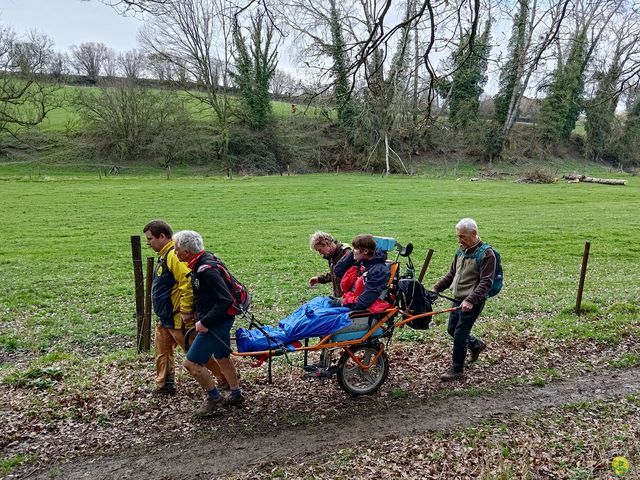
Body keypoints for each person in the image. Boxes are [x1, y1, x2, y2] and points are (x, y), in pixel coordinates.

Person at [143, 220, 228, 395]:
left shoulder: (174, 255)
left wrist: (185, 310)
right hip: (165, 316)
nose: (148, 243)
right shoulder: (165, 255)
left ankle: (224, 378)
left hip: (177, 318)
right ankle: (165, 384)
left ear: (162, 236)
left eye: (150, 239)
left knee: (195, 353)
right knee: (162, 351)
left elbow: (187, 282)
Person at [173, 230, 244, 417]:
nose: (175, 252)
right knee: (222, 356)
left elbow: (224, 300)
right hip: (221, 319)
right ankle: (236, 394)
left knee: (191, 363)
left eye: (177, 249)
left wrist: (204, 321)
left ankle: (214, 398)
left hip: (216, 322)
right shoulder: (205, 259)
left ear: (187, 252)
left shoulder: (206, 270)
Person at [432, 218, 496, 381]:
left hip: (473, 300)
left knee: (460, 333)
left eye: (463, 237)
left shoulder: (487, 254)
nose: (460, 240)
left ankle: (457, 369)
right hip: (458, 297)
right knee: (452, 330)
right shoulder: (461, 251)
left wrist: (470, 300)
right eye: (458, 236)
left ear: (474, 234)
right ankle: (476, 345)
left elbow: (486, 282)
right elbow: (452, 273)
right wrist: (436, 289)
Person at [333, 234, 391, 311]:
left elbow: (364, 301)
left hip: (361, 309)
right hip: (350, 300)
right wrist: (355, 254)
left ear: (366, 251)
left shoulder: (379, 271)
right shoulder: (362, 261)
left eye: (355, 248)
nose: (352, 250)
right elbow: (338, 271)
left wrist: (341, 303)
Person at [308, 231, 351, 297]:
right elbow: (335, 274)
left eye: (320, 250)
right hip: (340, 297)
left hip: (349, 297)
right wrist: (319, 279)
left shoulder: (345, 253)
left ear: (326, 243)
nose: (320, 253)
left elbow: (352, 276)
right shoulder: (332, 256)